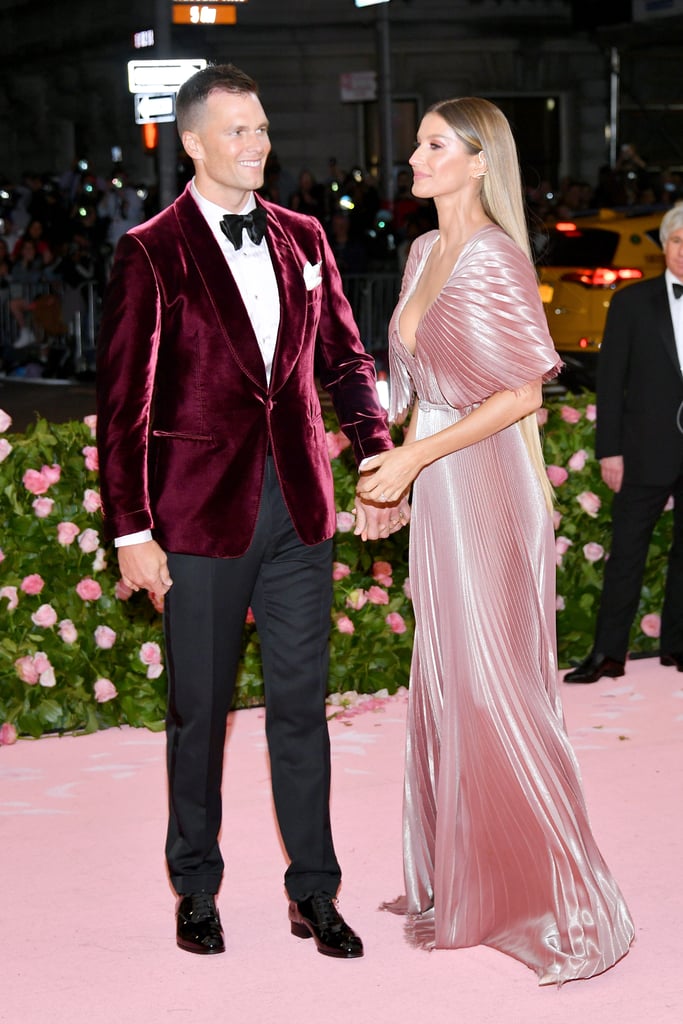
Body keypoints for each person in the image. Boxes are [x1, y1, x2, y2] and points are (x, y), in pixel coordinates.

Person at [96, 63, 408, 960]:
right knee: (198, 712)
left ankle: (314, 890)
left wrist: (375, 454)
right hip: (197, 519)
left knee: (301, 709)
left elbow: (347, 360)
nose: (258, 144)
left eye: (263, 128)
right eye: (238, 131)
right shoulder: (150, 249)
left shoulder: (304, 237)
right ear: (193, 142)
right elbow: (125, 408)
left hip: (300, 511)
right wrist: (131, 531)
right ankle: (196, 885)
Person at [356, 96, 634, 985]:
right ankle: (462, 879)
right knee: (443, 677)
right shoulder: (421, 251)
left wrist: (414, 459)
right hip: (434, 481)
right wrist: (391, 471)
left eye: (434, 145)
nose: (414, 157)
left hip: (487, 484)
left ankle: (555, 891)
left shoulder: (493, 259)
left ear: (478, 162)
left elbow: (520, 395)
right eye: (417, 144)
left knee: (495, 683)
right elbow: (410, 386)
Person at [564, 203, 683, 684]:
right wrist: (608, 450)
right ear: (664, 246)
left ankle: (677, 646)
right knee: (627, 554)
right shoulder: (632, 303)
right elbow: (610, 383)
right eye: (678, 242)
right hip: (642, 451)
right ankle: (607, 654)